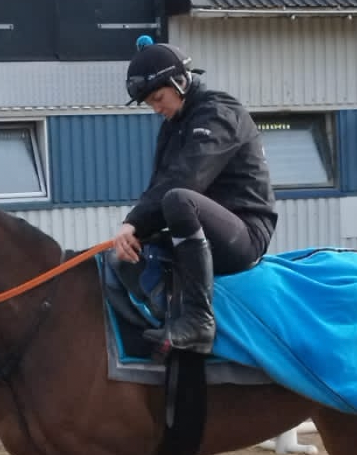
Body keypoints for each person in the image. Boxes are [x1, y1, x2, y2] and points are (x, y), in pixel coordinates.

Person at [111, 35, 277, 354]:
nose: (156, 108)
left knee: (178, 198)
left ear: (180, 82)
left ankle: (200, 321)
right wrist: (132, 231)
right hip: (199, 230)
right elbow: (157, 185)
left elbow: (184, 181)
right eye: (150, 104)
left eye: (159, 98)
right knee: (128, 253)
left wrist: (133, 222)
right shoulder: (173, 124)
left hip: (245, 235)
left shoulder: (219, 113)